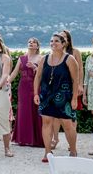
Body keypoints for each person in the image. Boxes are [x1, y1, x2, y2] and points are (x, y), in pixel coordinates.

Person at [34, 33, 79, 162]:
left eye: (56, 41)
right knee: (46, 123)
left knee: (67, 124)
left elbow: (75, 81)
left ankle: (73, 150)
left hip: (64, 96)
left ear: (63, 44)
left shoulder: (70, 59)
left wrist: (74, 98)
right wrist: (36, 93)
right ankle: (47, 152)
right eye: (51, 41)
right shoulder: (44, 59)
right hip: (46, 95)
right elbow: (38, 77)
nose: (53, 43)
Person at [51, 29, 84, 149]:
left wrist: (80, 85)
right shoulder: (54, 53)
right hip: (56, 88)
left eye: (64, 37)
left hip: (71, 87)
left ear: (68, 40)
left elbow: (80, 69)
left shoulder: (75, 52)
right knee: (54, 116)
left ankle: (72, 142)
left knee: (71, 115)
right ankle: (55, 139)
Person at [9, 37, 43, 147]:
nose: (31, 43)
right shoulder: (22, 58)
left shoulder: (41, 58)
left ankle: (36, 140)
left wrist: (35, 68)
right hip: (23, 87)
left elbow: (44, 74)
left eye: (34, 42)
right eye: (29, 42)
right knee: (23, 111)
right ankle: (22, 139)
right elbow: (14, 73)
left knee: (35, 111)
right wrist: (7, 81)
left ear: (37, 46)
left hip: (35, 87)